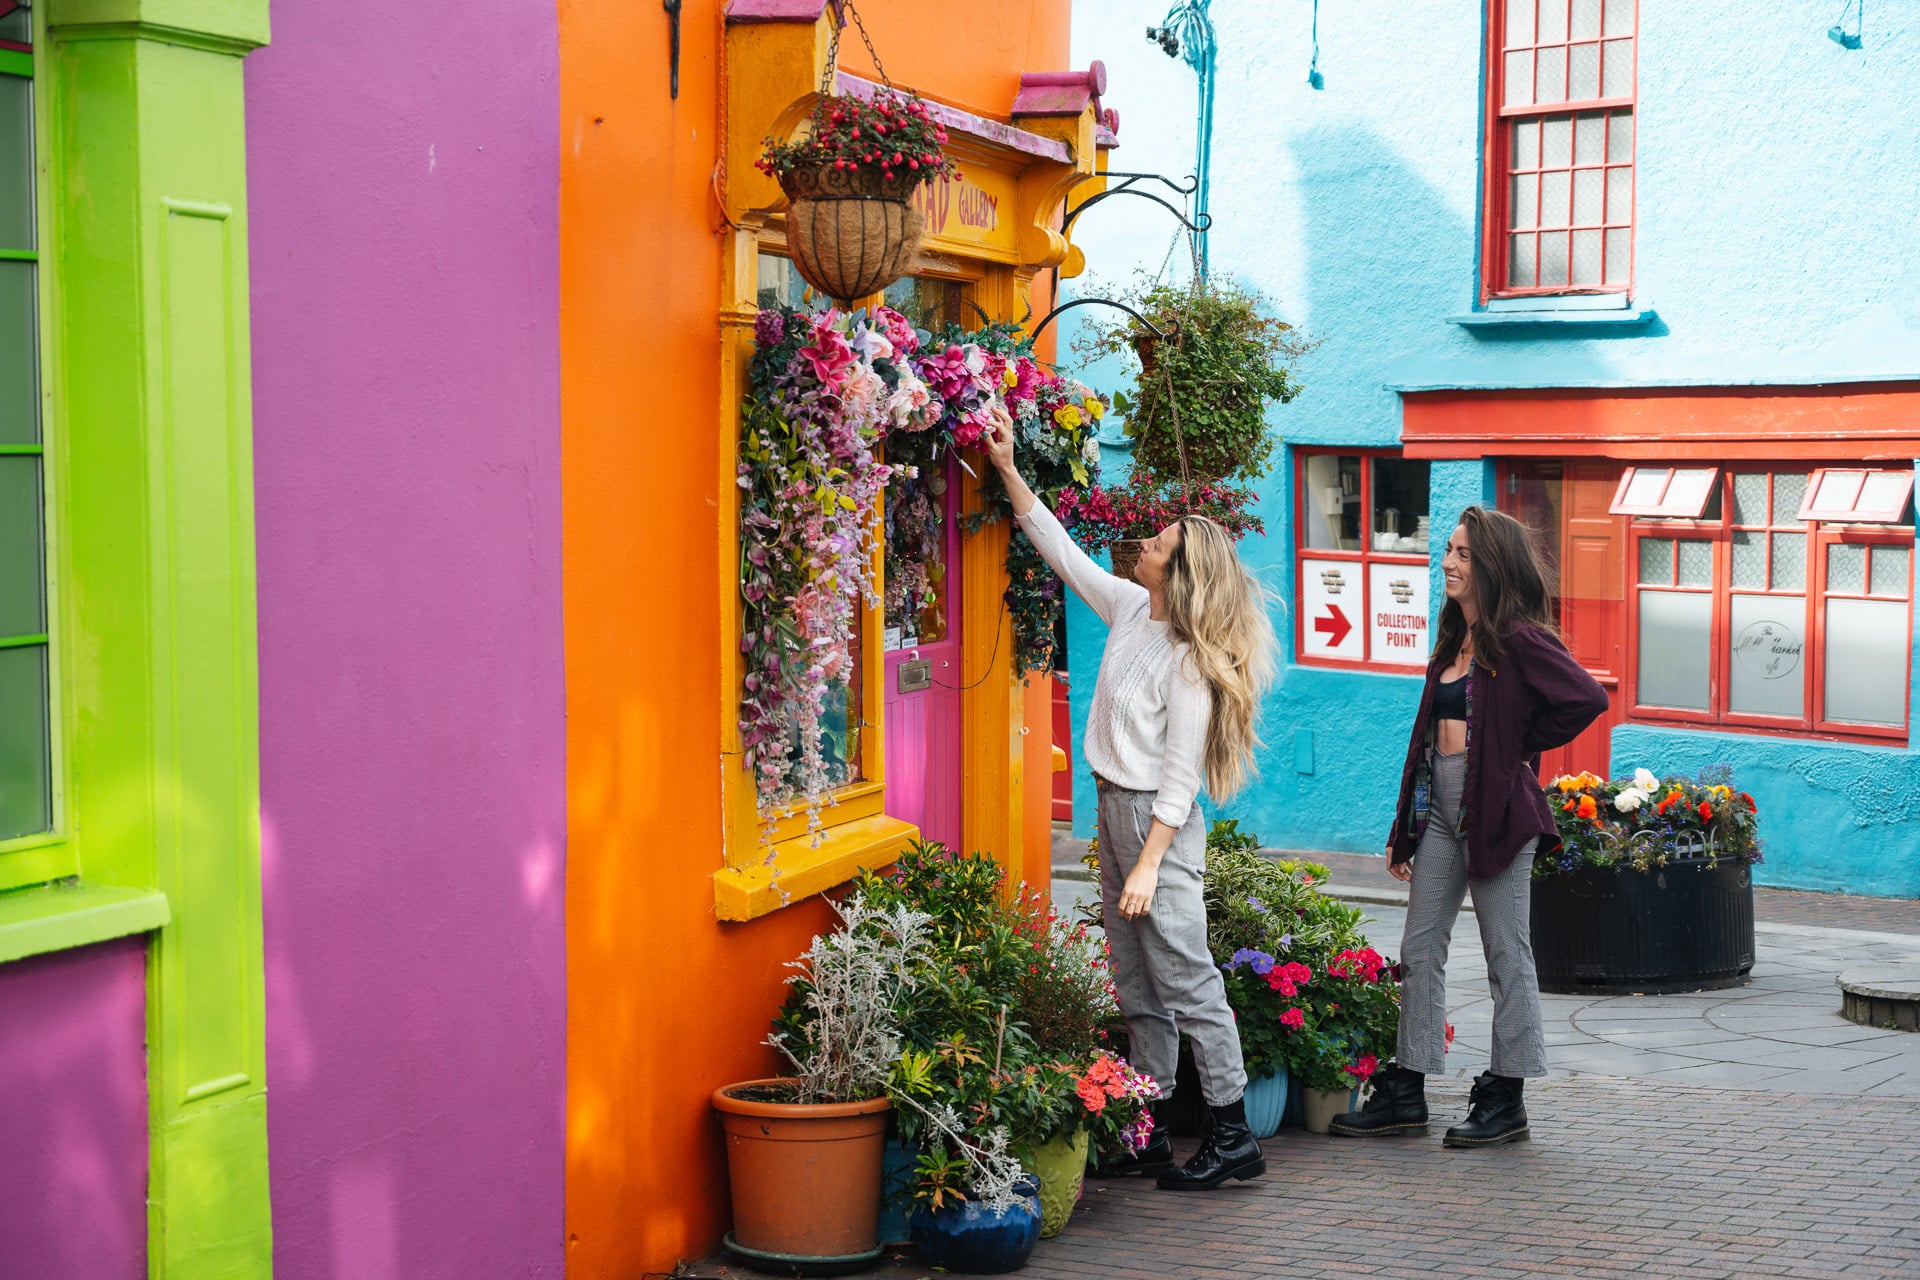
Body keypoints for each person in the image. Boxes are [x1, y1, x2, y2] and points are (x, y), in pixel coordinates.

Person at [980, 404, 1277, 1191]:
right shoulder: (1129, 610)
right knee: (1134, 976)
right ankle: (1146, 1126)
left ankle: (1231, 1132)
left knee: (1187, 979)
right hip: (1117, 810)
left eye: (1158, 545)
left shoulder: (1189, 662)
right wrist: (1009, 470)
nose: (1143, 545)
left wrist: (1147, 864)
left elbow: (1179, 781)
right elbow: (1061, 551)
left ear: (1177, 573)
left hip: (1157, 826)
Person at [1331, 506, 1606, 1148]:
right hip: (1441, 810)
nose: (1448, 563)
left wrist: (1513, 743)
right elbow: (1424, 741)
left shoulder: (1519, 638)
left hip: (1502, 813)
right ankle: (1407, 1088)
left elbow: (1587, 699)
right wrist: (1406, 828)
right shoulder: (1453, 637)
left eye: (1461, 554)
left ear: (1491, 564)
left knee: (1507, 953)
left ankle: (1506, 1096)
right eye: (1448, 551)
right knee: (1419, 948)